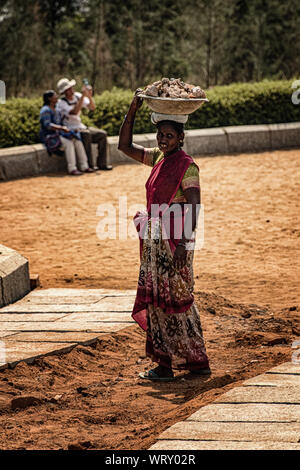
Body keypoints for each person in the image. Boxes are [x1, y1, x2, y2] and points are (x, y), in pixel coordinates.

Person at [118, 92, 210, 381]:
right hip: (155, 243)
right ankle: (165, 365)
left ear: (180, 138)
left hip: (175, 245)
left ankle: (196, 361)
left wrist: (184, 243)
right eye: (160, 135)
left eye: (169, 136)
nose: (163, 140)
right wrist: (132, 108)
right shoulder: (158, 157)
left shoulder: (187, 165)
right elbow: (124, 145)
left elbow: (194, 206)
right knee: (157, 301)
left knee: (178, 299)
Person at [56, 78, 112, 170]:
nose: (71, 90)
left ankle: (102, 163)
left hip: (82, 127)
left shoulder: (77, 96)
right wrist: (83, 96)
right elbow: (74, 111)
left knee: (102, 135)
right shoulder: (61, 103)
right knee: (86, 135)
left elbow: (92, 107)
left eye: (71, 87)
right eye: (68, 89)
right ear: (64, 92)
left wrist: (89, 95)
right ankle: (89, 165)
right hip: (71, 130)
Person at [39, 90, 94, 175]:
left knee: (77, 139)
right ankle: (72, 168)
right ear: (49, 98)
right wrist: (62, 128)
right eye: (55, 96)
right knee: (68, 143)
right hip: (50, 135)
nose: (57, 97)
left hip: (60, 133)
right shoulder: (45, 110)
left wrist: (70, 129)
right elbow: (47, 125)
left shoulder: (56, 109)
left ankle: (84, 166)